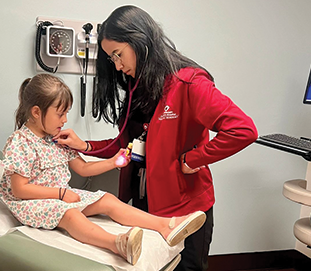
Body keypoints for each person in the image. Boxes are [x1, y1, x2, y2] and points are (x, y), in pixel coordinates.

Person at [54, 5, 258, 271]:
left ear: (140, 41)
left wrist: (193, 159)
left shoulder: (189, 83)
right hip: (144, 205)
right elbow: (129, 145)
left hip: (186, 209)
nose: (117, 65)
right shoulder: (137, 86)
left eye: (118, 55)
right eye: (111, 58)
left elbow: (244, 130)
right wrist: (86, 146)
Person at [0, 73, 206, 266]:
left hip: (60, 198)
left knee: (106, 199)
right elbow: (20, 190)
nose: (65, 120)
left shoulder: (55, 140)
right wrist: (61, 193)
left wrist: (114, 162)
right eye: (60, 114)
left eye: (66, 113)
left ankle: (166, 226)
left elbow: (83, 168)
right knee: (71, 215)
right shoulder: (20, 142)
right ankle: (117, 244)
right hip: (31, 204)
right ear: (36, 112)